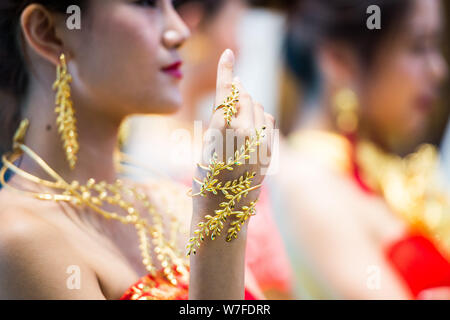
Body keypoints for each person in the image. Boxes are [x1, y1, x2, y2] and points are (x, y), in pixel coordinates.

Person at [0, 0, 275, 300]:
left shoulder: (171, 202)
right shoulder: (20, 237)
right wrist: (221, 222)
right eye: (146, 4)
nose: (180, 31)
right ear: (48, 33)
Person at [277, 0, 450, 299]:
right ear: (339, 59)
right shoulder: (306, 181)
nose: (438, 70)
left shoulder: (372, 168)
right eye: (418, 47)